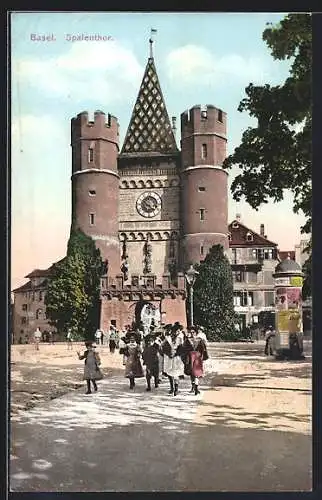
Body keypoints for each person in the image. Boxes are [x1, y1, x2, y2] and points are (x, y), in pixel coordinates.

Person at [183, 326, 209, 395]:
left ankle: (196, 388)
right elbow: (184, 350)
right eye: (190, 332)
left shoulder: (200, 340)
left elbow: (203, 349)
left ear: (196, 333)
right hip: (190, 357)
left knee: (196, 373)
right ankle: (193, 386)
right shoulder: (187, 340)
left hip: (197, 357)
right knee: (192, 373)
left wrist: (202, 357)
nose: (192, 334)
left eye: (193, 332)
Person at [162, 323, 185, 396]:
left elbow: (163, 348)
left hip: (170, 357)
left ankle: (173, 388)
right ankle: (175, 389)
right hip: (176, 357)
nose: (176, 333)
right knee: (175, 373)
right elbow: (181, 349)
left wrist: (169, 354)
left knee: (170, 372)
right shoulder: (179, 339)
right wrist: (176, 353)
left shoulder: (168, 338)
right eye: (176, 331)